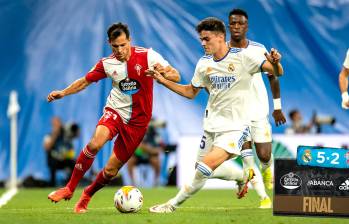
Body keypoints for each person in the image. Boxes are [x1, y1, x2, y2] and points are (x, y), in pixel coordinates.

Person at [147, 17, 283, 213]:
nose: (203, 43)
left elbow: (278, 73)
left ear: (220, 37)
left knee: (204, 168)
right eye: (201, 39)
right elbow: (190, 92)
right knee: (199, 168)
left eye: (206, 39)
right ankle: (241, 176)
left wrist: (276, 63)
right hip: (211, 126)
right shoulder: (203, 64)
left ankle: (171, 205)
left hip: (235, 128)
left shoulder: (244, 57)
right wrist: (162, 81)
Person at [47, 22, 180, 213]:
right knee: (95, 143)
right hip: (115, 111)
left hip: (138, 122)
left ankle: (86, 195)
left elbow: (176, 75)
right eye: (115, 46)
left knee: (110, 171)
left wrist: (164, 72)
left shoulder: (148, 56)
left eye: (123, 45)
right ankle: (69, 188)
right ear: (109, 43)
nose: (120, 50)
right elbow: (85, 81)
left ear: (129, 41)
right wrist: (64, 92)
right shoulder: (107, 63)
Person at [227, 8, 286, 190]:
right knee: (244, 153)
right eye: (233, 23)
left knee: (264, 154)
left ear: (247, 26)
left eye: (241, 23)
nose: (237, 27)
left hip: (258, 110)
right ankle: (253, 187)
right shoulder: (222, 51)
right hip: (236, 113)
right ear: (229, 25)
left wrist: (277, 108)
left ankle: (267, 168)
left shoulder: (258, 49)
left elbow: (274, 76)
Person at [127, 118, 166, 186]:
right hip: (139, 155)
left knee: (156, 161)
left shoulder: (155, 134)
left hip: (150, 156)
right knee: (130, 161)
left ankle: (156, 182)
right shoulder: (137, 132)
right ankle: (132, 182)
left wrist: (148, 149)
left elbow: (160, 148)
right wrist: (145, 148)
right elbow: (136, 147)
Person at [43, 117, 79, 187]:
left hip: (65, 159)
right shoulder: (48, 136)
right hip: (55, 160)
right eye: (55, 124)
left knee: (74, 163)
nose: (57, 126)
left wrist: (73, 129)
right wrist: (55, 134)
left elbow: (76, 134)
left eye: (58, 123)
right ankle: (52, 183)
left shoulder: (65, 135)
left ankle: (70, 184)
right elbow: (47, 148)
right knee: (52, 161)